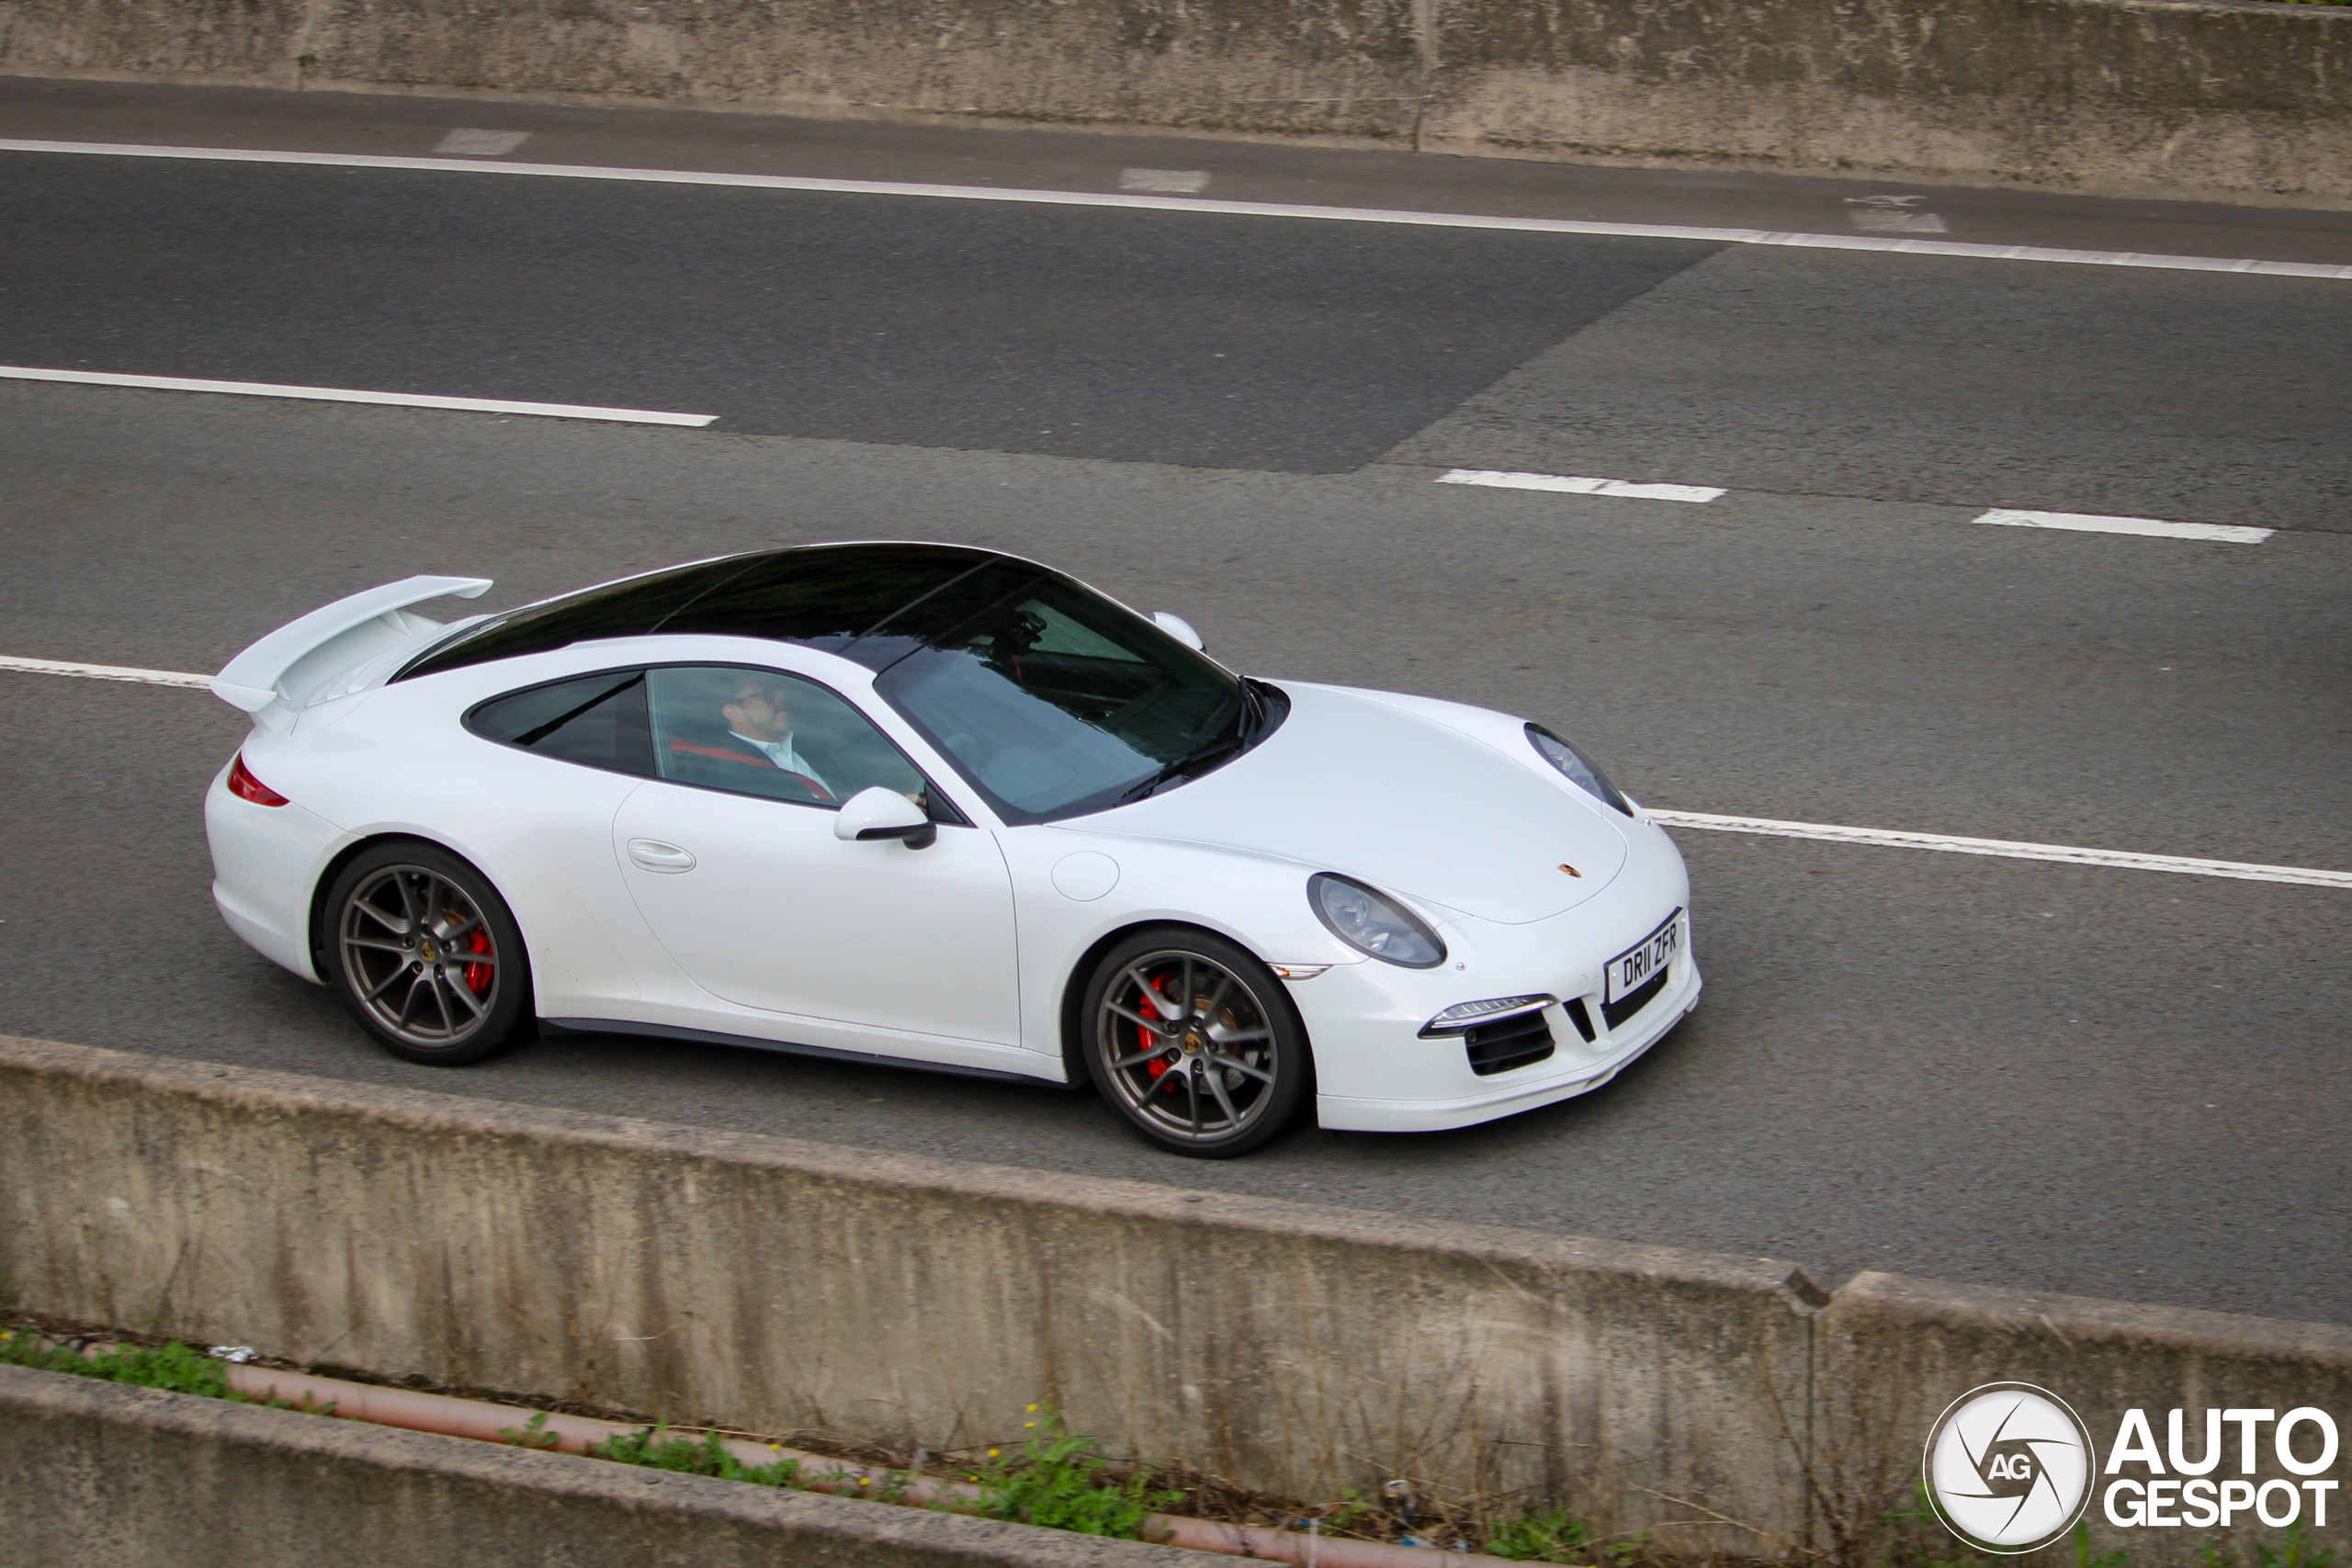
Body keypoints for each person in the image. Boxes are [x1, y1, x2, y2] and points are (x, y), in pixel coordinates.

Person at [663, 671, 833, 800]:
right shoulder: (731, 774)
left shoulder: (812, 738)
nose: (781, 695)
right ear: (734, 713)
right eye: (767, 692)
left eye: (779, 688)